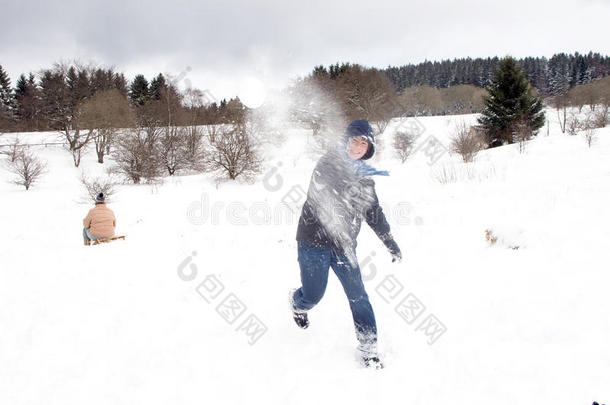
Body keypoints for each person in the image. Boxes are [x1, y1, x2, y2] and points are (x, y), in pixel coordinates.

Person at [289, 119, 402, 369]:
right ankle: (297, 304)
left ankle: (369, 348)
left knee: (359, 296)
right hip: (313, 242)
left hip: (343, 246)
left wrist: (389, 239)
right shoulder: (328, 162)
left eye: (364, 143)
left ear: (368, 149)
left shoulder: (365, 178)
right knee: (313, 295)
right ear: (346, 139)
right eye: (356, 139)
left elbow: (373, 212)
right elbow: (323, 193)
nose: (358, 146)